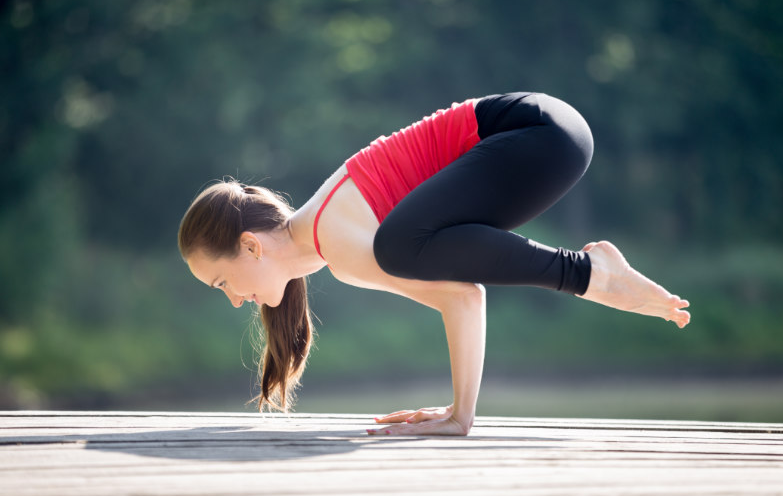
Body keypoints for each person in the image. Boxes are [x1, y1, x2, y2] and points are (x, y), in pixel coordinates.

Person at [178, 92, 690, 437]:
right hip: (549, 136)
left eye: (222, 281)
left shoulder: (335, 236)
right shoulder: (333, 241)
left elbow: (462, 295)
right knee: (404, 243)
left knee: (397, 246)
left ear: (250, 246)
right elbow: (464, 289)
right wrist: (456, 413)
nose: (234, 298)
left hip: (537, 133)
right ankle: (589, 271)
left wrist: (459, 417)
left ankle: (588, 272)